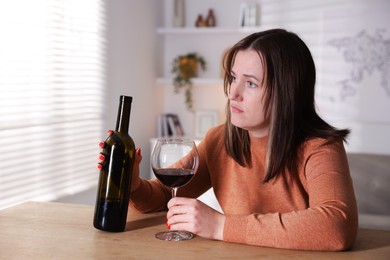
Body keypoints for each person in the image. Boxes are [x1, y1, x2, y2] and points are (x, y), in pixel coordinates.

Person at [98, 29, 358, 251]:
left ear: (286, 92)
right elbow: (167, 194)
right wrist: (131, 183)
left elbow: (336, 225)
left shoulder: (321, 148)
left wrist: (220, 226)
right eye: (233, 78)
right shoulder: (219, 140)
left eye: (251, 83)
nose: (233, 93)